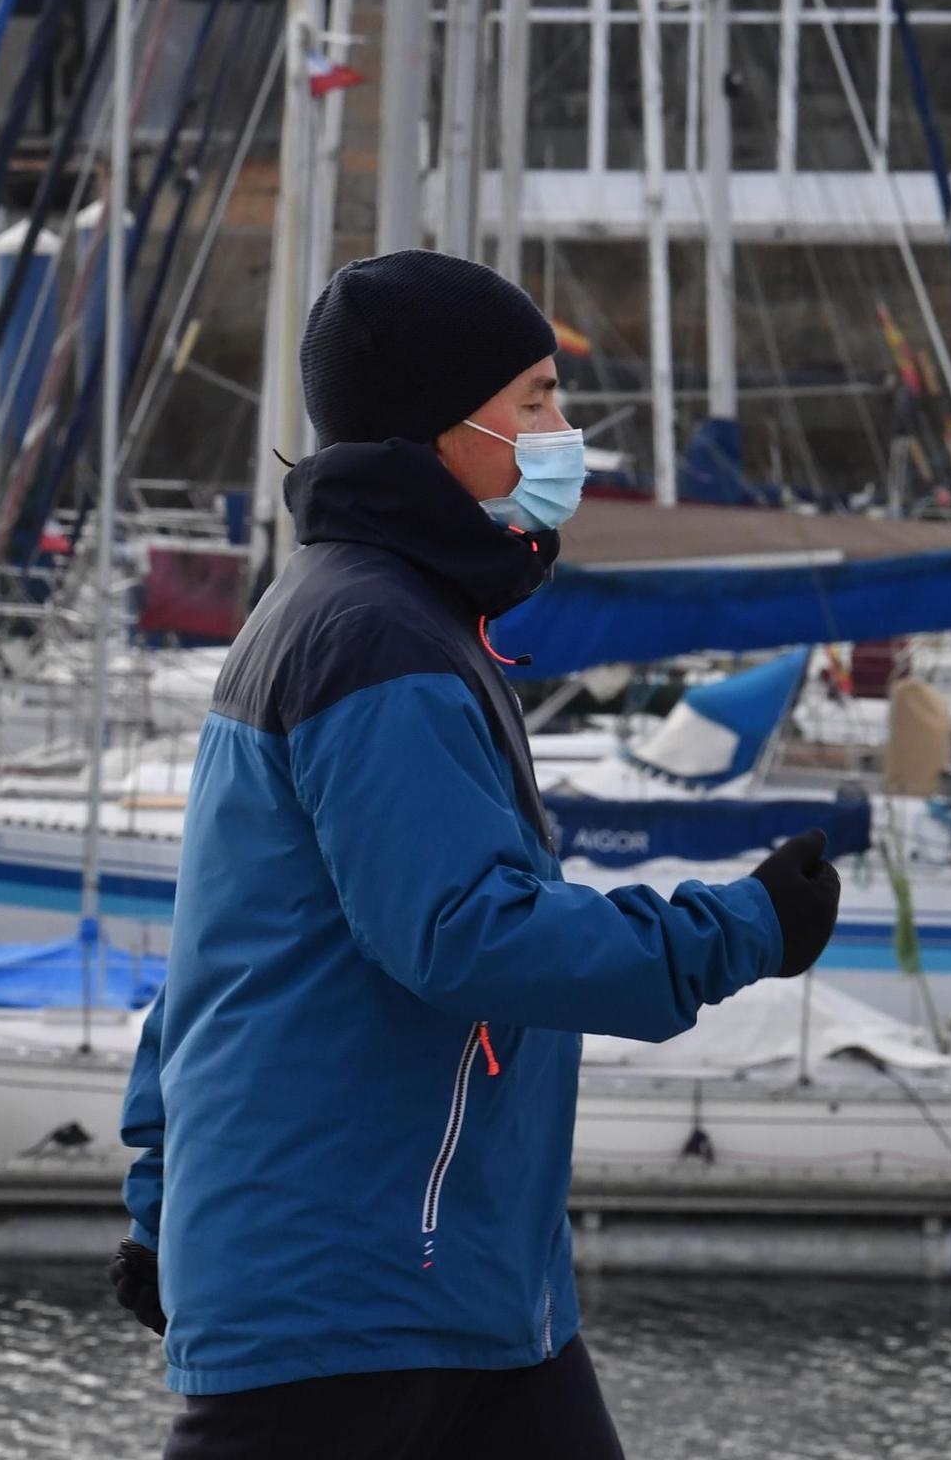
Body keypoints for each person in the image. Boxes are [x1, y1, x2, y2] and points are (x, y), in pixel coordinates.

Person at [109, 250, 841, 1459]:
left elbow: (214, 964)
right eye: (536, 401)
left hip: (467, 1292)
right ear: (435, 432)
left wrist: (159, 1207)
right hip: (353, 1287)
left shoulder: (373, 612)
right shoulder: (373, 633)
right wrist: (742, 927)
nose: (567, 433)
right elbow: (462, 932)